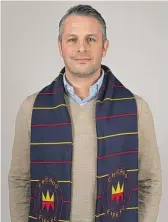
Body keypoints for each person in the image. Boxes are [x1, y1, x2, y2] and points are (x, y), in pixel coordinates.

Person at [8, 4, 162, 222]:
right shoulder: (32, 108)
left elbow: (150, 180)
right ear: (60, 46)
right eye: (72, 39)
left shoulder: (136, 109)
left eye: (91, 39)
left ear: (105, 46)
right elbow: (20, 181)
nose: (82, 48)